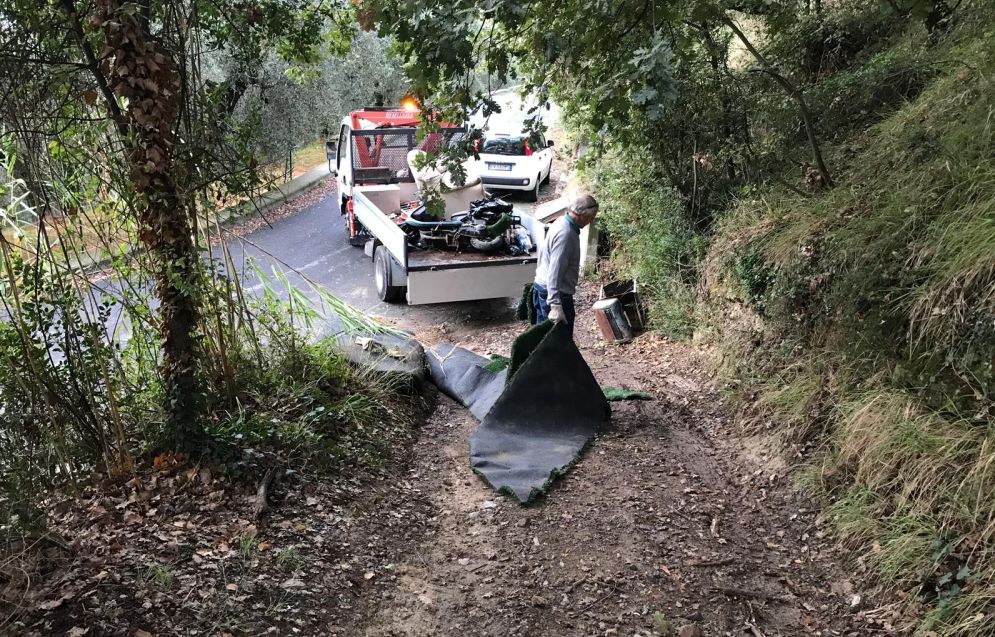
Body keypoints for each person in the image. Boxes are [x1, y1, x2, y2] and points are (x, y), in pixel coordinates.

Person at [532, 193, 599, 332]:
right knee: (559, 342)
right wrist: (555, 305)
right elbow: (555, 270)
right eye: (591, 218)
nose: (591, 222)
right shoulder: (566, 234)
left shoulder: (561, 221)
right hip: (555, 295)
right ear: (581, 215)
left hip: (543, 288)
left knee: (541, 340)